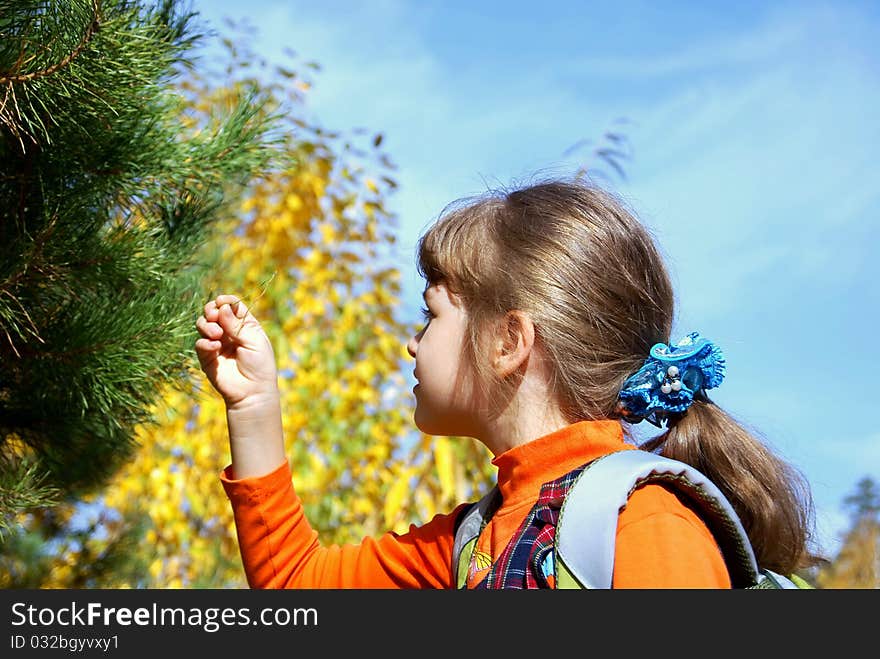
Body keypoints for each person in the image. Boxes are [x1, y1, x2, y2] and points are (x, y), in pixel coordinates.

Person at [195, 176, 819, 589]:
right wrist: (253, 405)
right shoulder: (475, 539)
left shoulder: (644, 523)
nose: (412, 342)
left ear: (508, 342)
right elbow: (297, 584)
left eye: (431, 314)